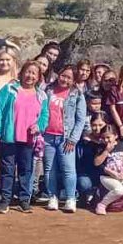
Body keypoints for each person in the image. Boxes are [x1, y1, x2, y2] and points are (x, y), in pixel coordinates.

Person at [0, 59, 48, 214]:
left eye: (34, 73)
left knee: (26, 171)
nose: (30, 76)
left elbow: (44, 116)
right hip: (9, 138)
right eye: (28, 72)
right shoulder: (9, 89)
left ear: (38, 77)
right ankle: (5, 200)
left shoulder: (41, 95)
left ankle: (24, 200)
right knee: (7, 170)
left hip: (29, 140)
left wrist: (39, 126)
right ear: (22, 73)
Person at [40, 64, 85, 213]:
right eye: (63, 75)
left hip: (66, 138)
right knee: (49, 170)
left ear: (73, 80)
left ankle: (71, 198)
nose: (64, 79)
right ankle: (52, 196)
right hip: (48, 136)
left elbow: (80, 120)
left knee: (68, 169)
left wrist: (73, 139)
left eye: (69, 77)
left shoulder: (77, 94)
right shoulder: (48, 90)